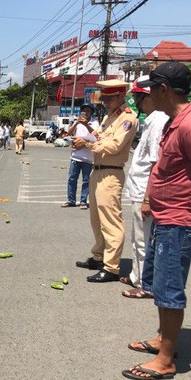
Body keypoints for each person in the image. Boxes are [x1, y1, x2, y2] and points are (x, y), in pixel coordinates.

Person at [123, 62, 191, 380]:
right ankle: (162, 340)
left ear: (164, 90)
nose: (148, 95)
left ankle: (166, 359)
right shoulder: (172, 121)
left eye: (152, 88)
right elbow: (163, 166)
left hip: (180, 221)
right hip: (167, 217)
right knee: (160, 283)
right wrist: (152, 199)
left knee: (169, 288)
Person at [72, 79, 138, 283]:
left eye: (109, 99)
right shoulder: (111, 117)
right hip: (97, 171)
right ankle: (99, 256)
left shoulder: (128, 118)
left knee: (111, 221)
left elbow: (114, 146)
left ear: (121, 96)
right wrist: (84, 137)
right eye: (104, 99)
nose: (105, 102)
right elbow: (99, 137)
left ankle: (111, 267)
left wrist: (88, 145)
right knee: (96, 219)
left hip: (111, 173)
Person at [121, 77, 169, 298]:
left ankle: (145, 284)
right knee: (137, 237)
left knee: (143, 240)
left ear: (148, 97)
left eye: (139, 99)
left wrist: (148, 199)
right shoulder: (150, 120)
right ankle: (136, 275)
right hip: (139, 190)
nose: (137, 104)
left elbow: (154, 164)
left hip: (144, 193)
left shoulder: (158, 121)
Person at [61, 104, 98, 209]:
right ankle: (71, 200)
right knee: (72, 179)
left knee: (86, 180)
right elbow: (68, 134)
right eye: (84, 111)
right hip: (75, 156)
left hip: (88, 157)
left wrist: (86, 125)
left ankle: (83, 201)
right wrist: (77, 122)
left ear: (91, 113)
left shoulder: (94, 123)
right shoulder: (77, 123)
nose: (86, 113)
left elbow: (96, 137)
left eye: (88, 111)